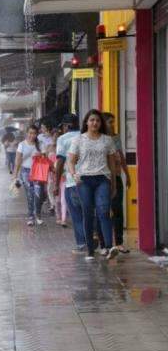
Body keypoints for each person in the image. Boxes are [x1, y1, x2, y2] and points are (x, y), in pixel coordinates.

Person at [68, 109, 119, 261]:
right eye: (92, 120)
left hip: (103, 179)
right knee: (88, 213)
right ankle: (90, 249)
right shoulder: (78, 140)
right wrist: (74, 174)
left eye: (97, 120)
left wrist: (114, 185)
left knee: (103, 211)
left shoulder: (107, 140)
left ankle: (109, 247)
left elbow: (112, 164)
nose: (95, 123)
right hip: (84, 180)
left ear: (100, 123)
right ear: (86, 123)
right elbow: (71, 160)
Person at [54, 114, 85, 253]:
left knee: (77, 216)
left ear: (66, 126)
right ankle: (94, 239)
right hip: (88, 181)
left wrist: (56, 184)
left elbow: (60, 162)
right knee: (89, 213)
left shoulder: (63, 139)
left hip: (72, 182)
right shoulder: (86, 136)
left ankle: (82, 245)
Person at [103, 112, 132, 253]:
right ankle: (105, 244)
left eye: (113, 122)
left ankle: (119, 242)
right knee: (103, 210)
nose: (112, 125)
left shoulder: (115, 138)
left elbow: (121, 156)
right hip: (103, 179)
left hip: (117, 177)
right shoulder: (99, 139)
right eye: (110, 122)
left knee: (117, 210)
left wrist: (127, 175)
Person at [13, 125, 44, 226]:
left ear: (37, 134)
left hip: (38, 171)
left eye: (34, 133)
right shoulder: (21, 144)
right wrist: (15, 175)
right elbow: (17, 160)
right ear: (27, 133)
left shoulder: (40, 144)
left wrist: (40, 155)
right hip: (25, 172)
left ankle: (38, 215)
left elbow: (46, 157)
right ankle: (31, 216)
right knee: (30, 195)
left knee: (38, 194)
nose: (32, 135)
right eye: (30, 133)